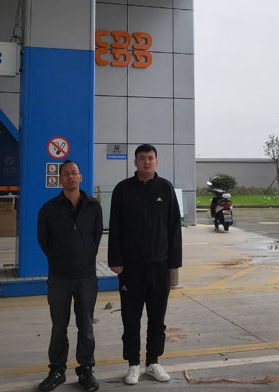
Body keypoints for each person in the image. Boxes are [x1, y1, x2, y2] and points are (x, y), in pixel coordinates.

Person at [108, 144, 182, 385]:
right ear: (135, 162)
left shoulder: (165, 189)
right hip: (131, 268)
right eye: (142, 158)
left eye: (150, 158)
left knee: (157, 319)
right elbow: (115, 227)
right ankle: (133, 364)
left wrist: (174, 262)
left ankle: (153, 362)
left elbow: (174, 227)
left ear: (156, 162)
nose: (146, 162)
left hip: (159, 266)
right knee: (131, 319)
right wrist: (116, 260)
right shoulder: (122, 189)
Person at [37, 160, 103, 392]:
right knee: (59, 327)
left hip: (86, 277)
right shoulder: (49, 209)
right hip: (59, 277)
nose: (71, 177)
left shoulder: (93, 206)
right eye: (66, 174)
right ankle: (57, 370)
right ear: (60, 179)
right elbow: (44, 241)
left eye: (74, 173)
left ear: (80, 177)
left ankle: (86, 370)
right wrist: (60, 259)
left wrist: (84, 257)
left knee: (86, 326)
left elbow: (96, 237)